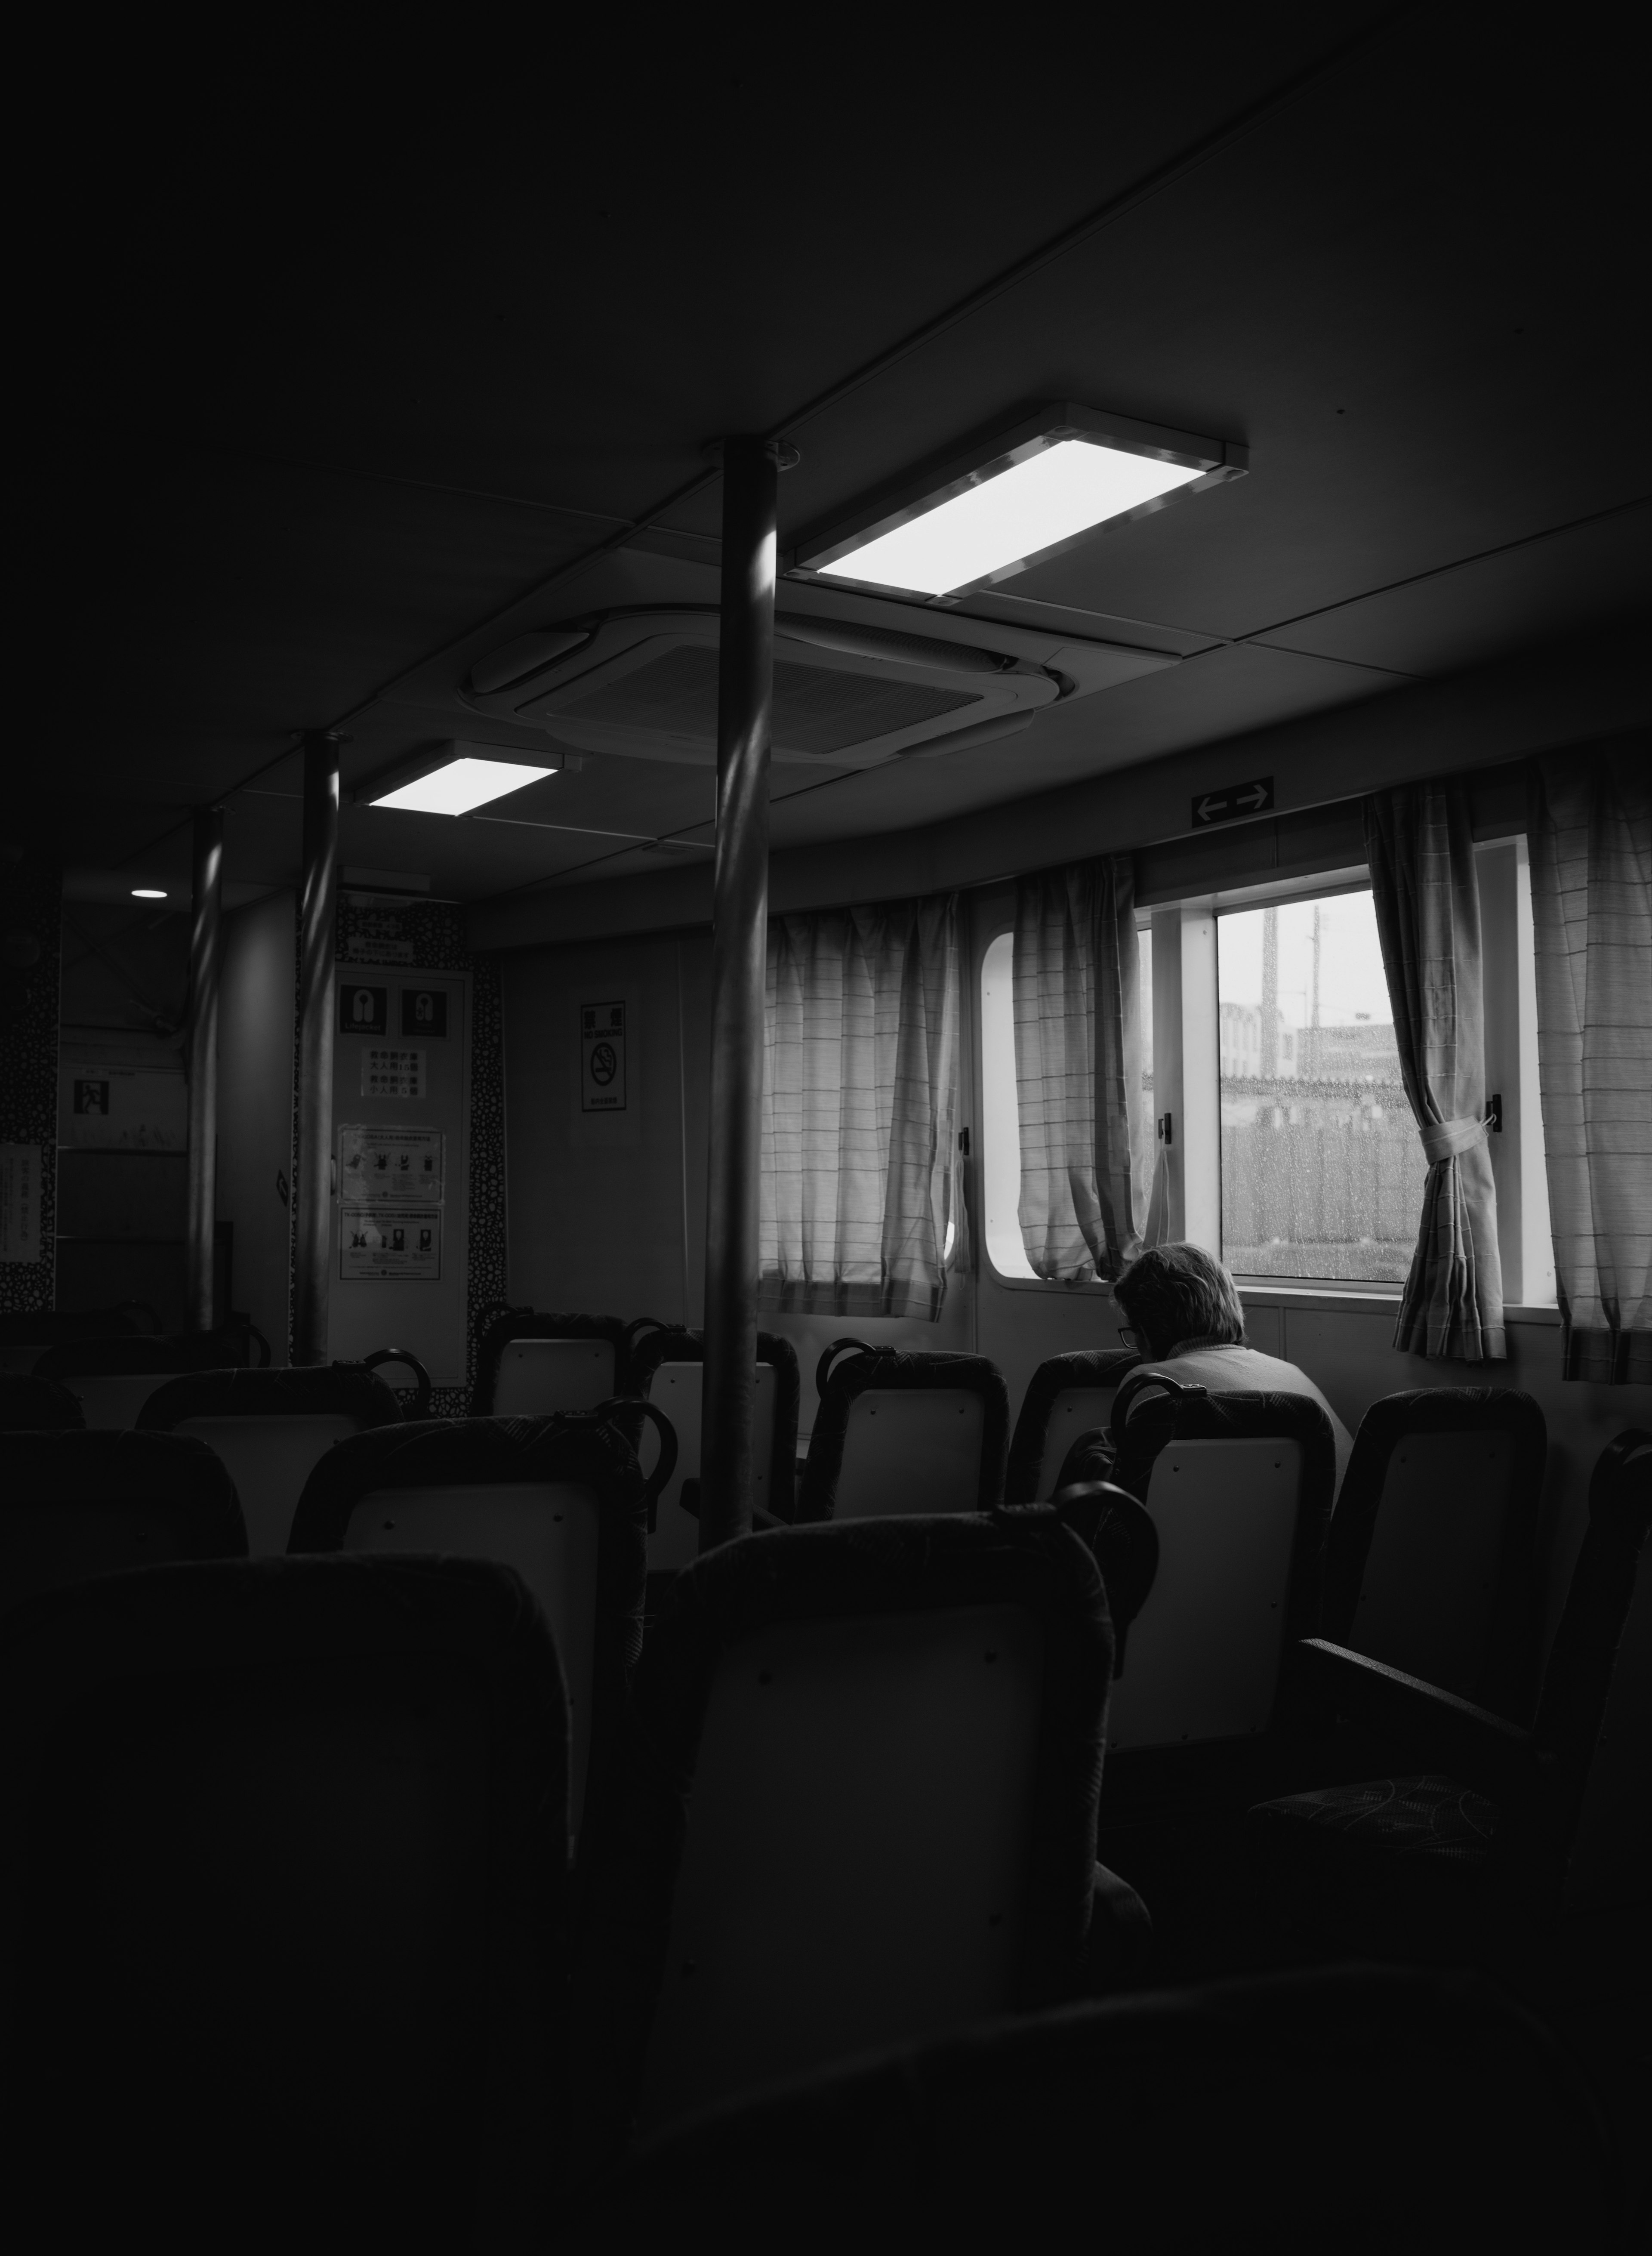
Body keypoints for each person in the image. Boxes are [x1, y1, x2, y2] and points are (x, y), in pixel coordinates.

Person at [1110, 1241, 1353, 1500]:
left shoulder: (1152, 1385)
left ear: (1146, 1332)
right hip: (1342, 1537)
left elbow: (1130, 1507)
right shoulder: (1293, 1373)